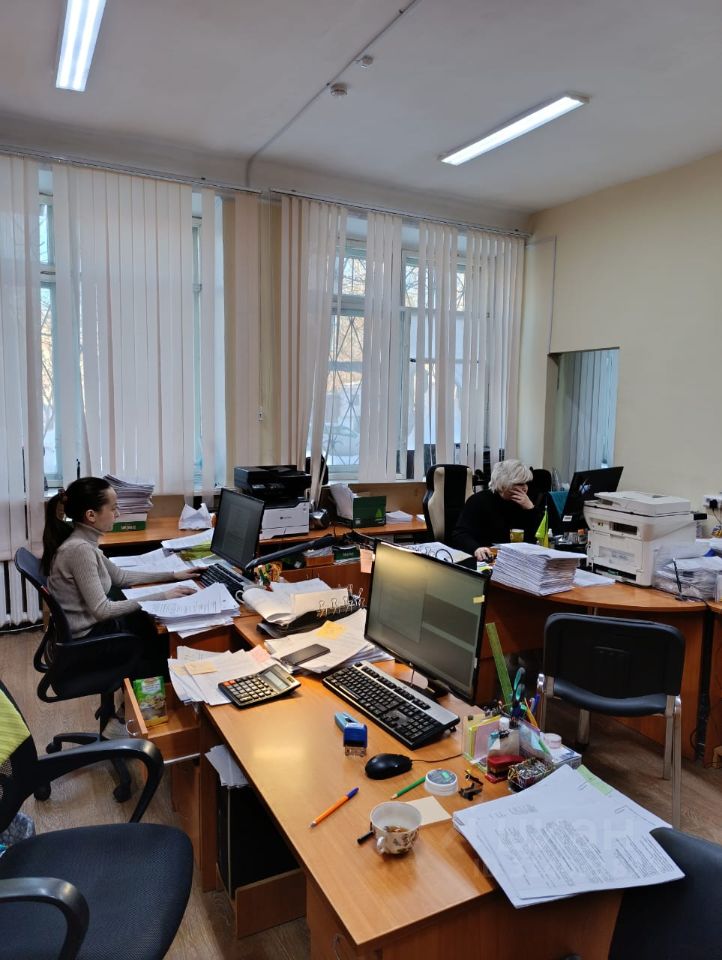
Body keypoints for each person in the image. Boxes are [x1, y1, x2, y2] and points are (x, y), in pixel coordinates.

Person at [43, 476, 199, 680]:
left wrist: (172, 576)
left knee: (148, 622)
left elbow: (120, 576)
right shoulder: (80, 550)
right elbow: (103, 610)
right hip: (87, 643)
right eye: (113, 508)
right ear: (91, 515)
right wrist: (163, 596)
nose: (117, 514)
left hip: (87, 631)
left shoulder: (84, 541)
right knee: (163, 644)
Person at [452, 459, 543, 561]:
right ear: (504, 483)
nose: (525, 488)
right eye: (519, 484)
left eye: (526, 483)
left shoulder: (526, 502)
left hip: (519, 559)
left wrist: (531, 510)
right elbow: (460, 534)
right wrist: (476, 548)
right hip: (487, 557)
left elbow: (541, 537)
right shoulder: (479, 500)